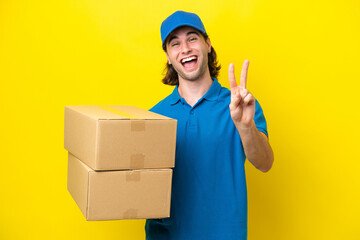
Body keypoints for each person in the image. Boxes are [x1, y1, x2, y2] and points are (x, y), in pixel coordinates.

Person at [145, 10, 274, 240]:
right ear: (168, 56)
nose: (185, 49)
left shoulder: (239, 104)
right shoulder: (154, 117)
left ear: (207, 44)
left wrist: (245, 127)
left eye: (192, 38)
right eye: (175, 44)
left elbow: (265, 163)